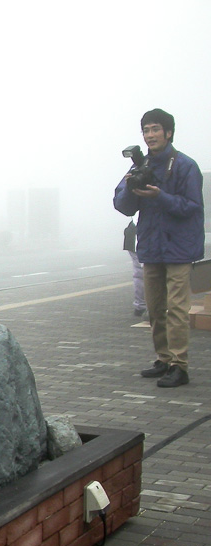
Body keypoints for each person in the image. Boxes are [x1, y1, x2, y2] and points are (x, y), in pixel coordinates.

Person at [113, 108, 205, 388]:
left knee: (177, 308)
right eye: (146, 130)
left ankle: (180, 366)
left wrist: (160, 196)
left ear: (168, 132)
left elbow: (192, 207)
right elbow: (121, 204)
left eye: (155, 129)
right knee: (155, 309)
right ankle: (163, 359)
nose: (150, 135)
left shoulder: (185, 166)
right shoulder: (140, 166)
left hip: (179, 248)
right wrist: (130, 188)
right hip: (152, 247)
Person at [123, 219, 147, 318]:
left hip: (133, 236)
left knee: (139, 274)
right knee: (142, 274)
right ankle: (142, 305)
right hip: (140, 237)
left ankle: (140, 305)